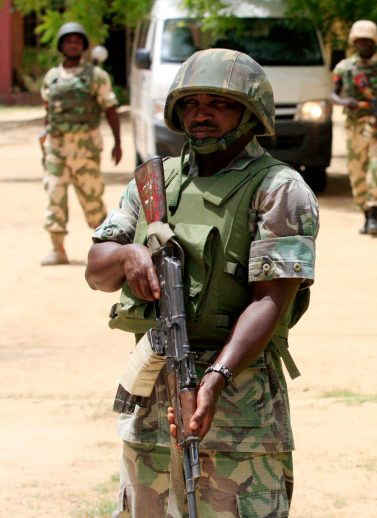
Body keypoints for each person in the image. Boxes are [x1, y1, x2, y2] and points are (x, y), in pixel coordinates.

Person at [84, 48, 319, 516]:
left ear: (251, 113)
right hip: (153, 393)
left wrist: (215, 379)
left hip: (238, 402)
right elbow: (96, 269)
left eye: (219, 103)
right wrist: (131, 254)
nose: (202, 114)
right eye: (191, 104)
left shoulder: (279, 189)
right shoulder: (154, 183)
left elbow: (271, 299)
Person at [40, 22, 122, 265]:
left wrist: (118, 143)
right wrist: (45, 136)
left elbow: (110, 109)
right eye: (68, 40)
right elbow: (49, 110)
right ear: (61, 45)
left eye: (77, 40)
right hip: (56, 149)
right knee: (54, 197)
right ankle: (58, 249)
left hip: (85, 149)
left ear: (84, 46)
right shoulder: (52, 77)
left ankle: (104, 249)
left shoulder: (96, 76)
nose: (72, 44)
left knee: (92, 200)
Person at [331, 19, 377, 236]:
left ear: (374, 43)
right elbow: (332, 92)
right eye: (359, 41)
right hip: (353, 127)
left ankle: (374, 218)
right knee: (357, 173)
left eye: (367, 41)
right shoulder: (344, 67)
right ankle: (365, 214)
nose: (363, 44)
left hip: (376, 126)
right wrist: (344, 102)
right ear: (354, 42)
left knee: (376, 169)